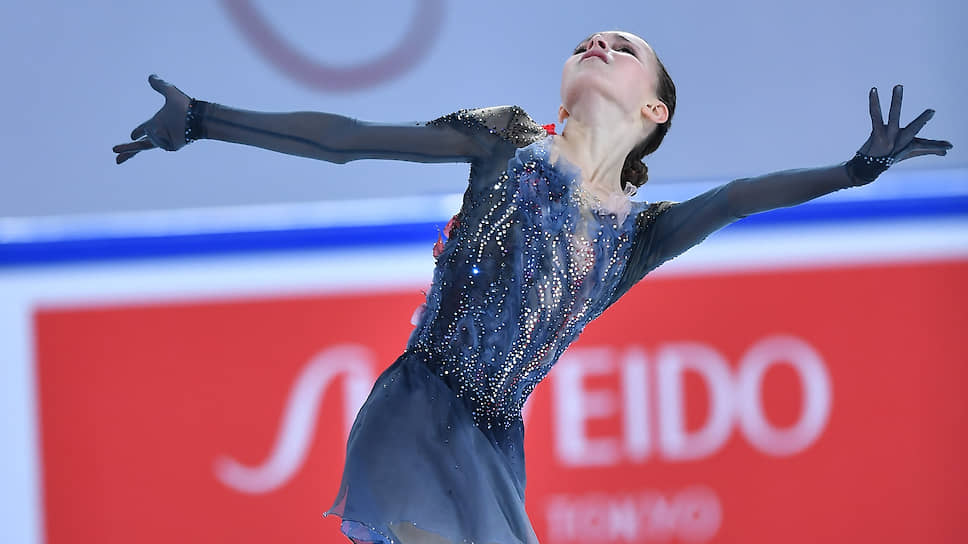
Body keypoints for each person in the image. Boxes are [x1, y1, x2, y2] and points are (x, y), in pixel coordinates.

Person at [113, 31, 951, 544]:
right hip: (417, 412)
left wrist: (852, 172)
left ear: (655, 112)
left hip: (491, 450)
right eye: (587, 40)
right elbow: (349, 139)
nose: (598, 44)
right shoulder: (504, 142)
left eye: (624, 48)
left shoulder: (638, 237)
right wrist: (204, 119)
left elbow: (736, 199)